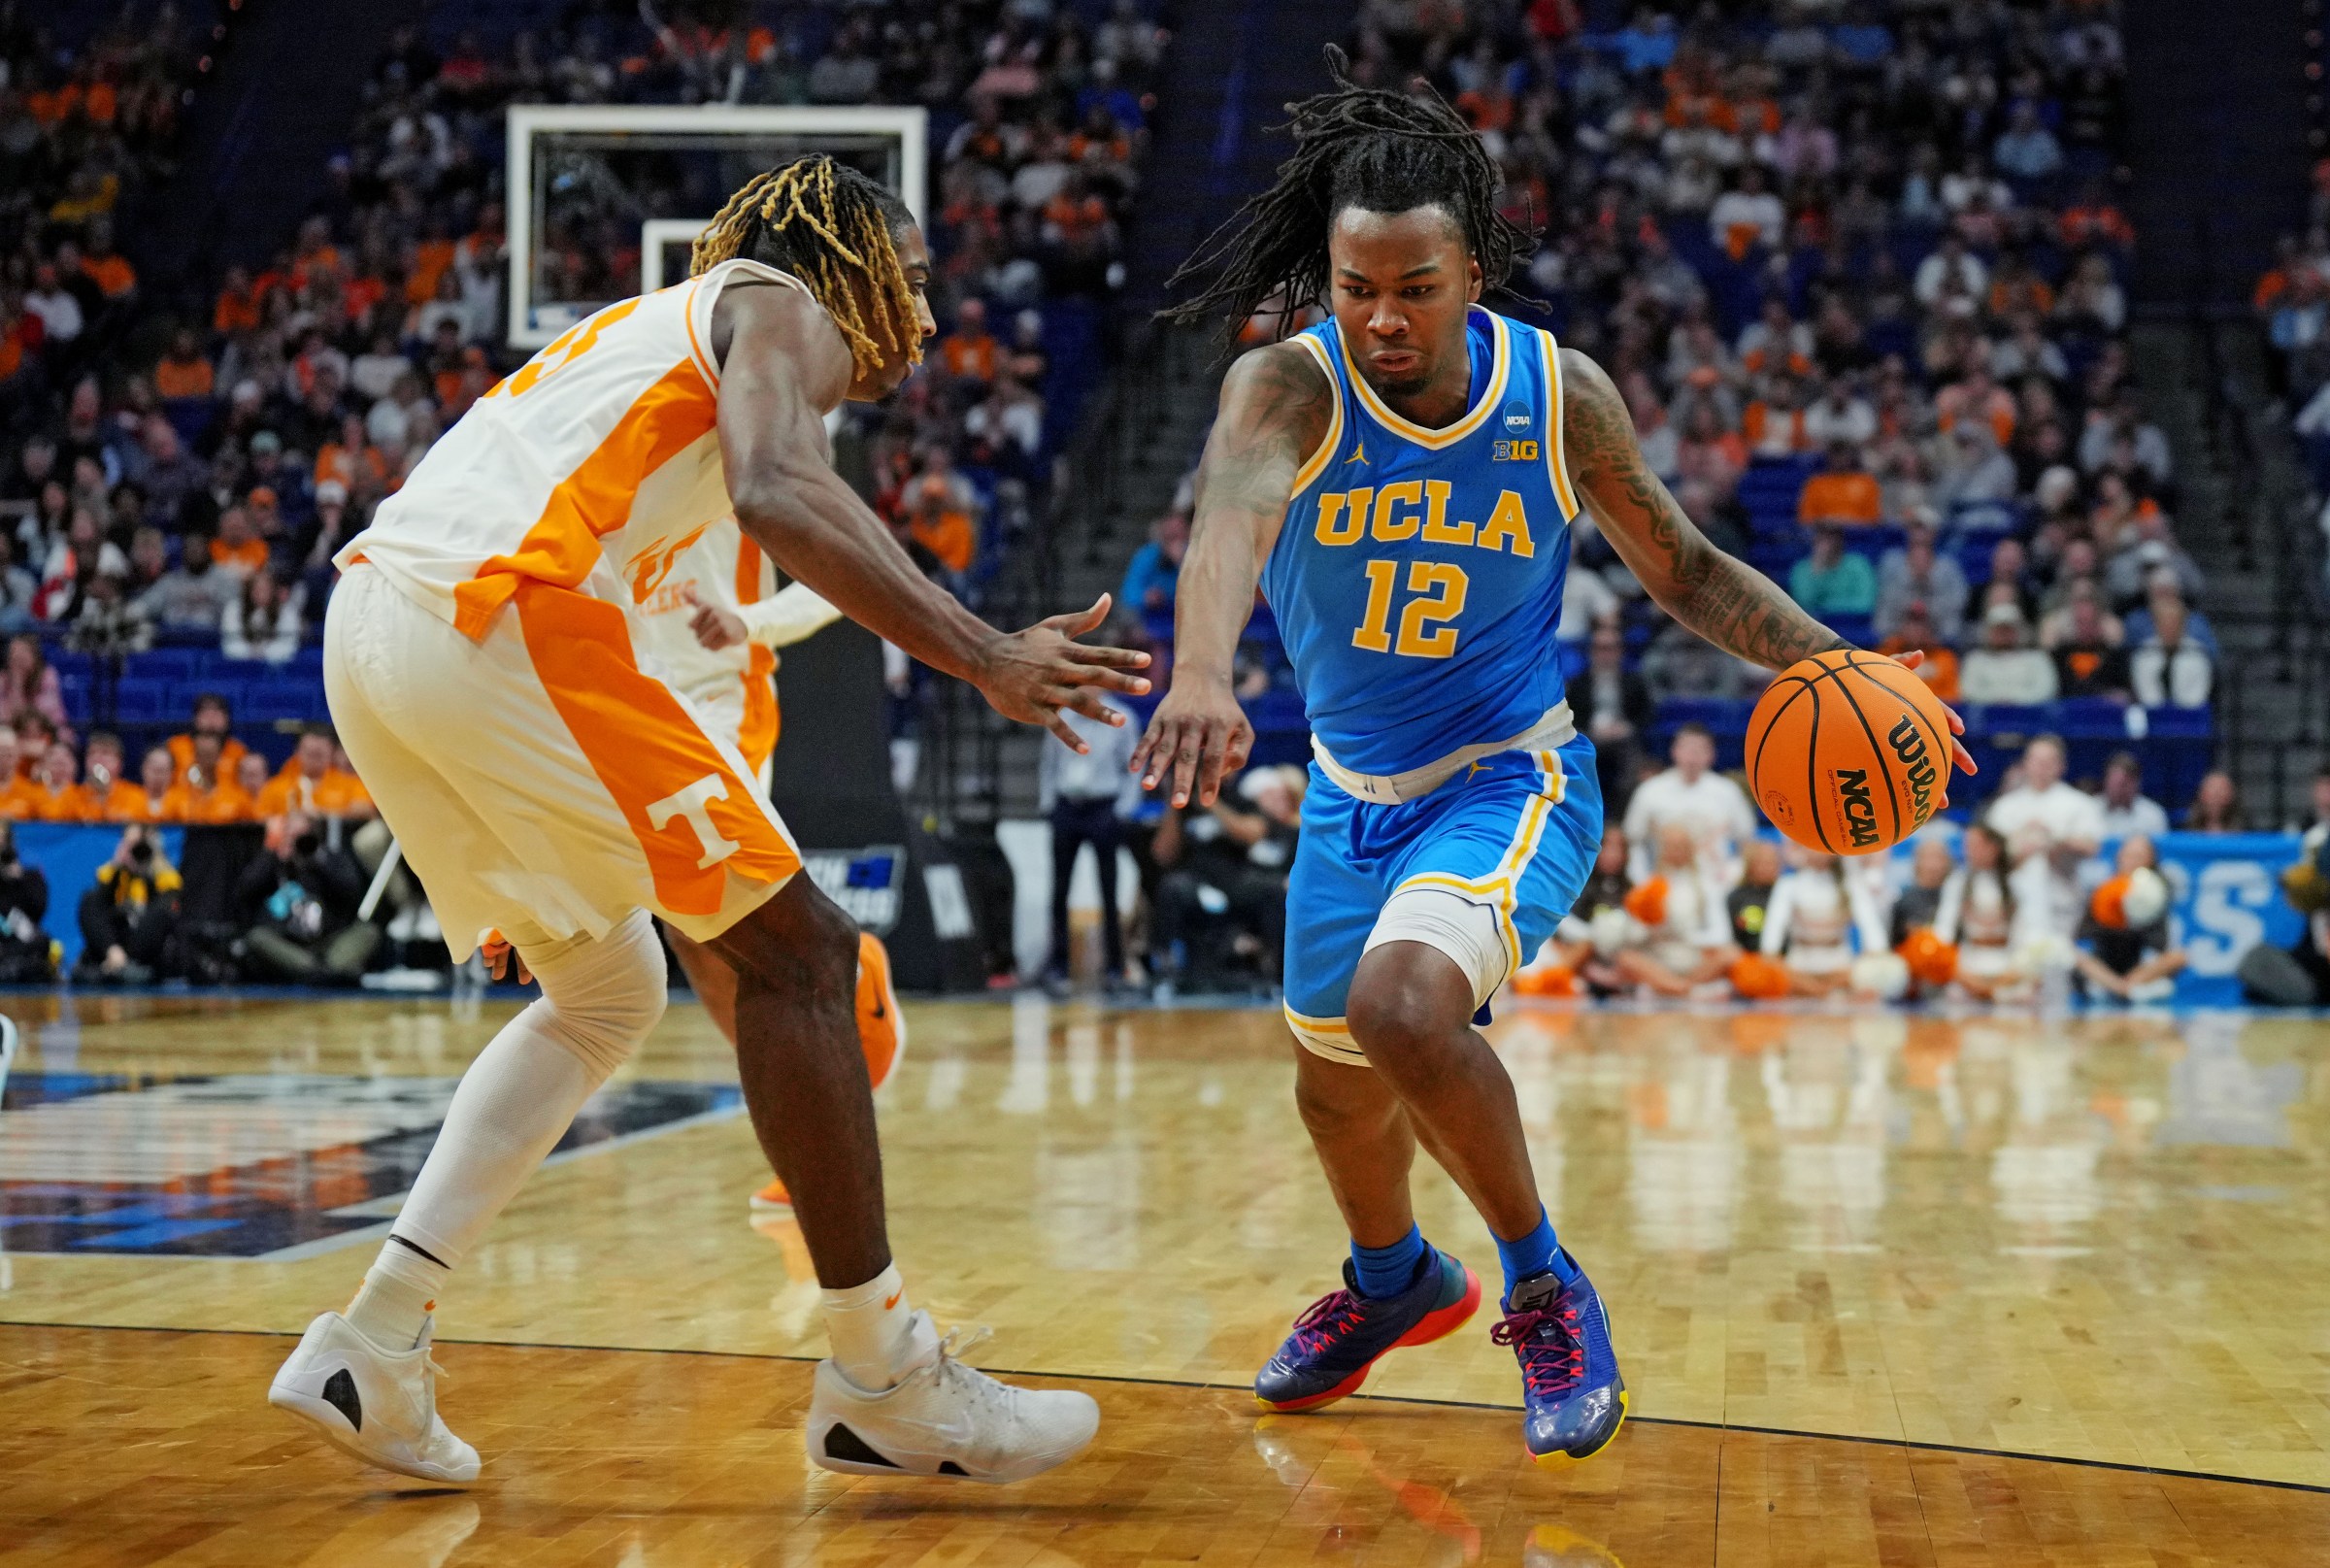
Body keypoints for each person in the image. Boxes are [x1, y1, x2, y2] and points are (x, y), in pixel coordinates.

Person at [1135, 51, 1968, 1468]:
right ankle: (1395, 1278)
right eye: (1356, 288)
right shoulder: (1283, 387)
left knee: (1404, 1007)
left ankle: (1541, 1283)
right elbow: (1226, 525)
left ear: (1475, 270)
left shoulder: (1552, 390)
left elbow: (1688, 571)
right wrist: (1201, 672)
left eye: (1415, 285)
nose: (1383, 316)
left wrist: (1840, 665)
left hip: (1509, 778)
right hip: (1350, 793)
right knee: (1332, 1080)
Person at [269, 154, 1139, 1487]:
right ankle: (884, 1375)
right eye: (899, 282)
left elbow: (688, 610)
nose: (913, 314)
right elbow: (779, 496)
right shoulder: (774, 301)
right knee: (807, 960)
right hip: (494, 616)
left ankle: (372, 1340)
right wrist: (986, 654)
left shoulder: (649, 364)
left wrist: (598, 827)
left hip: (383, 625)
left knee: (606, 987)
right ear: (835, 266)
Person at [616, 516, 905, 1214]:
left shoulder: (744, 427)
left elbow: (843, 571)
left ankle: (815, 1124)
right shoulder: (588, 448)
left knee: (733, 925)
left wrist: (748, 620)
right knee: (692, 936)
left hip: (722, 701)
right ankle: (809, 1113)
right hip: (630, 707)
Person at [1039, 687, 1142, 992]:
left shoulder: (1120, 718)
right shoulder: (1061, 715)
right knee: (1059, 890)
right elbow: (1048, 763)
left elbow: (1133, 767)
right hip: (1067, 806)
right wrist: (1049, 805)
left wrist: (1123, 809)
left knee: (1108, 892)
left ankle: (1114, 967)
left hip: (1103, 808)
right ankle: (1058, 966)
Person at [236, 812, 379, 983]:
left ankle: (327, 970)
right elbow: (244, 891)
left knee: (368, 931)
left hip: (330, 942)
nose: (296, 842)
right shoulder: (274, 862)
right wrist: (272, 854)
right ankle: (314, 971)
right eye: (291, 836)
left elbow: (351, 890)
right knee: (257, 936)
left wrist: (318, 859)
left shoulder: (327, 857)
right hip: (290, 944)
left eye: (301, 837)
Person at [1985, 735, 2103, 935]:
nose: (2042, 767)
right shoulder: (2005, 806)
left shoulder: (2080, 804)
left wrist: (2054, 840)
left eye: (2049, 762)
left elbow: (2091, 846)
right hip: (2013, 901)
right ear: (2026, 763)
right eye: (2036, 761)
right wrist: (2019, 842)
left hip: (2061, 899)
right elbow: (1987, 854)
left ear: (2061, 766)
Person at [1621, 724, 1755, 890]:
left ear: (1712, 754)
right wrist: (1643, 880)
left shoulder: (1728, 792)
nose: (1693, 756)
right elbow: (1633, 841)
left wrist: (1732, 875)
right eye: (1687, 748)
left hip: (1714, 883)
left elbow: (1747, 842)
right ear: (1674, 751)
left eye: (1700, 749)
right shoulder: (1650, 791)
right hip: (1663, 883)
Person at [1758, 847, 1889, 996]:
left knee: (1876, 973)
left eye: (1821, 848)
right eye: (1812, 847)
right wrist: (1771, 957)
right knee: (1769, 973)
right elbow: (1773, 930)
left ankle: (1823, 990)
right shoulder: (1788, 884)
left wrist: (1873, 960)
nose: (1817, 853)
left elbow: (1872, 930)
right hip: (1799, 966)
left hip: (1840, 966)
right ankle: (1817, 990)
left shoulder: (1851, 885)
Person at [2074, 834, 2185, 1002]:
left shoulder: (2156, 894)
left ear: (2150, 862)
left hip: (2139, 966)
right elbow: (2084, 938)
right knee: (2072, 954)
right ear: (2119, 857)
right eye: (2128, 855)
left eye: (2138, 857)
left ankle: (2129, 987)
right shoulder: (2103, 891)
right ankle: (2118, 988)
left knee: (2179, 956)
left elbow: (2158, 946)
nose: (2132, 862)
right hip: (2105, 964)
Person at [75, 824, 181, 984]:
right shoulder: (113, 873)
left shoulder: (166, 876)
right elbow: (101, 899)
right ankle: (117, 959)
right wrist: (119, 864)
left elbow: (163, 909)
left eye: (139, 845)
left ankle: (122, 965)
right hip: (115, 939)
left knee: (163, 912)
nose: (136, 850)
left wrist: (147, 869)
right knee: (89, 899)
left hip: (142, 944)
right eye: (130, 844)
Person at [1959, 602, 2060, 705]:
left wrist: (2013, 700)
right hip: (1986, 718)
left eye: (2008, 629)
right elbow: (1969, 691)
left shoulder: (2037, 659)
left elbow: (2046, 690)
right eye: (1999, 629)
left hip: (2029, 717)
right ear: (1988, 632)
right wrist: (1999, 700)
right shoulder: (1975, 660)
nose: (2003, 634)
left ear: (2019, 631)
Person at [0, 819, 52, 983]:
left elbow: (37, 911)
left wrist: (16, 881)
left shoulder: (30, 877)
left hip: (17, 942)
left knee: (43, 942)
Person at [1119, 511, 1188, 616]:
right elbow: (1129, 593)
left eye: (1178, 535)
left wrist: (1181, 564)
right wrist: (1146, 597)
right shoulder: (1148, 554)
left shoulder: (1197, 557)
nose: (1175, 543)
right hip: (1150, 615)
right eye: (1170, 536)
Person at [2095, 751, 2170, 840]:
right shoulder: (2089, 809)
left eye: (2123, 784)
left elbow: (2159, 850)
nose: (2117, 789)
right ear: (2105, 780)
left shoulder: (2153, 815)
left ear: (2136, 784)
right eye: (2114, 783)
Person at [1725, 837, 1781, 952]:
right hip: (1746, 957)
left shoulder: (1784, 894)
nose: (1768, 868)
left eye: (1771, 862)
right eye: (1762, 863)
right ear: (1749, 865)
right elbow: (1730, 937)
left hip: (1781, 957)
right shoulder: (1736, 897)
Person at [2183, 769, 2244, 833]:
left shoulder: (2245, 828)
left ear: (2231, 796)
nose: (2216, 799)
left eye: (2221, 791)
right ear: (2201, 795)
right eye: (2212, 792)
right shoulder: (2186, 827)